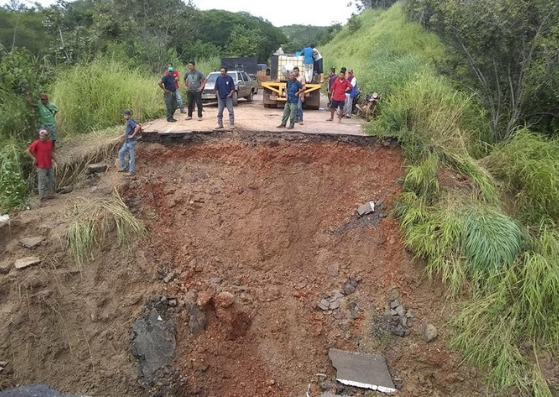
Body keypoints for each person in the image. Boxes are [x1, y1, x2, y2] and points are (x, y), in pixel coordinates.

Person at [26, 129, 58, 201]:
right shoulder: (36, 143)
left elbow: (51, 153)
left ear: (47, 136)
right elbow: (28, 151)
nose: (41, 137)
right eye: (40, 136)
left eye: (43, 136)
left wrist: (56, 160)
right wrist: (34, 159)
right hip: (41, 166)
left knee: (51, 180)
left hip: (49, 165)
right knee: (42, 182)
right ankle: (42, 197)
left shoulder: (49, 143)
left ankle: (51, 194)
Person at [117, 110, 141, 176]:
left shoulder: (130, 121)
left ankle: (131, 172)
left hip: (130, 142)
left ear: (129, 115)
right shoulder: (130, 121)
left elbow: (138, 127)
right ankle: (125, 167)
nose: (124, 116)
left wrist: (133, 135)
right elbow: (138, 125)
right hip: (127, 142)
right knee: (120, 153)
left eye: (126, 115)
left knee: (131, 158)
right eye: (124, 115)